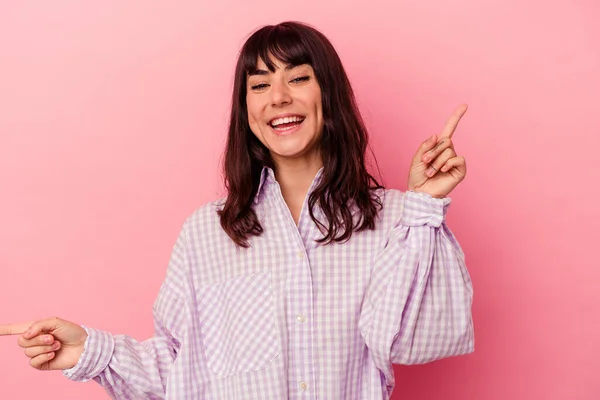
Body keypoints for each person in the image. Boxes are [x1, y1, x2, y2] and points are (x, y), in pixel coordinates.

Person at [0, 21, 474, 399]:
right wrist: (89, 351)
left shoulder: (394, 220)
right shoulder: (209, 232)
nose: (279, 96)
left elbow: (415, 342)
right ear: (246, 108)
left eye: (299, 78)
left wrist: (423, 208)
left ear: (328, 93)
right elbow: (183, 371)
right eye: (260, 84)